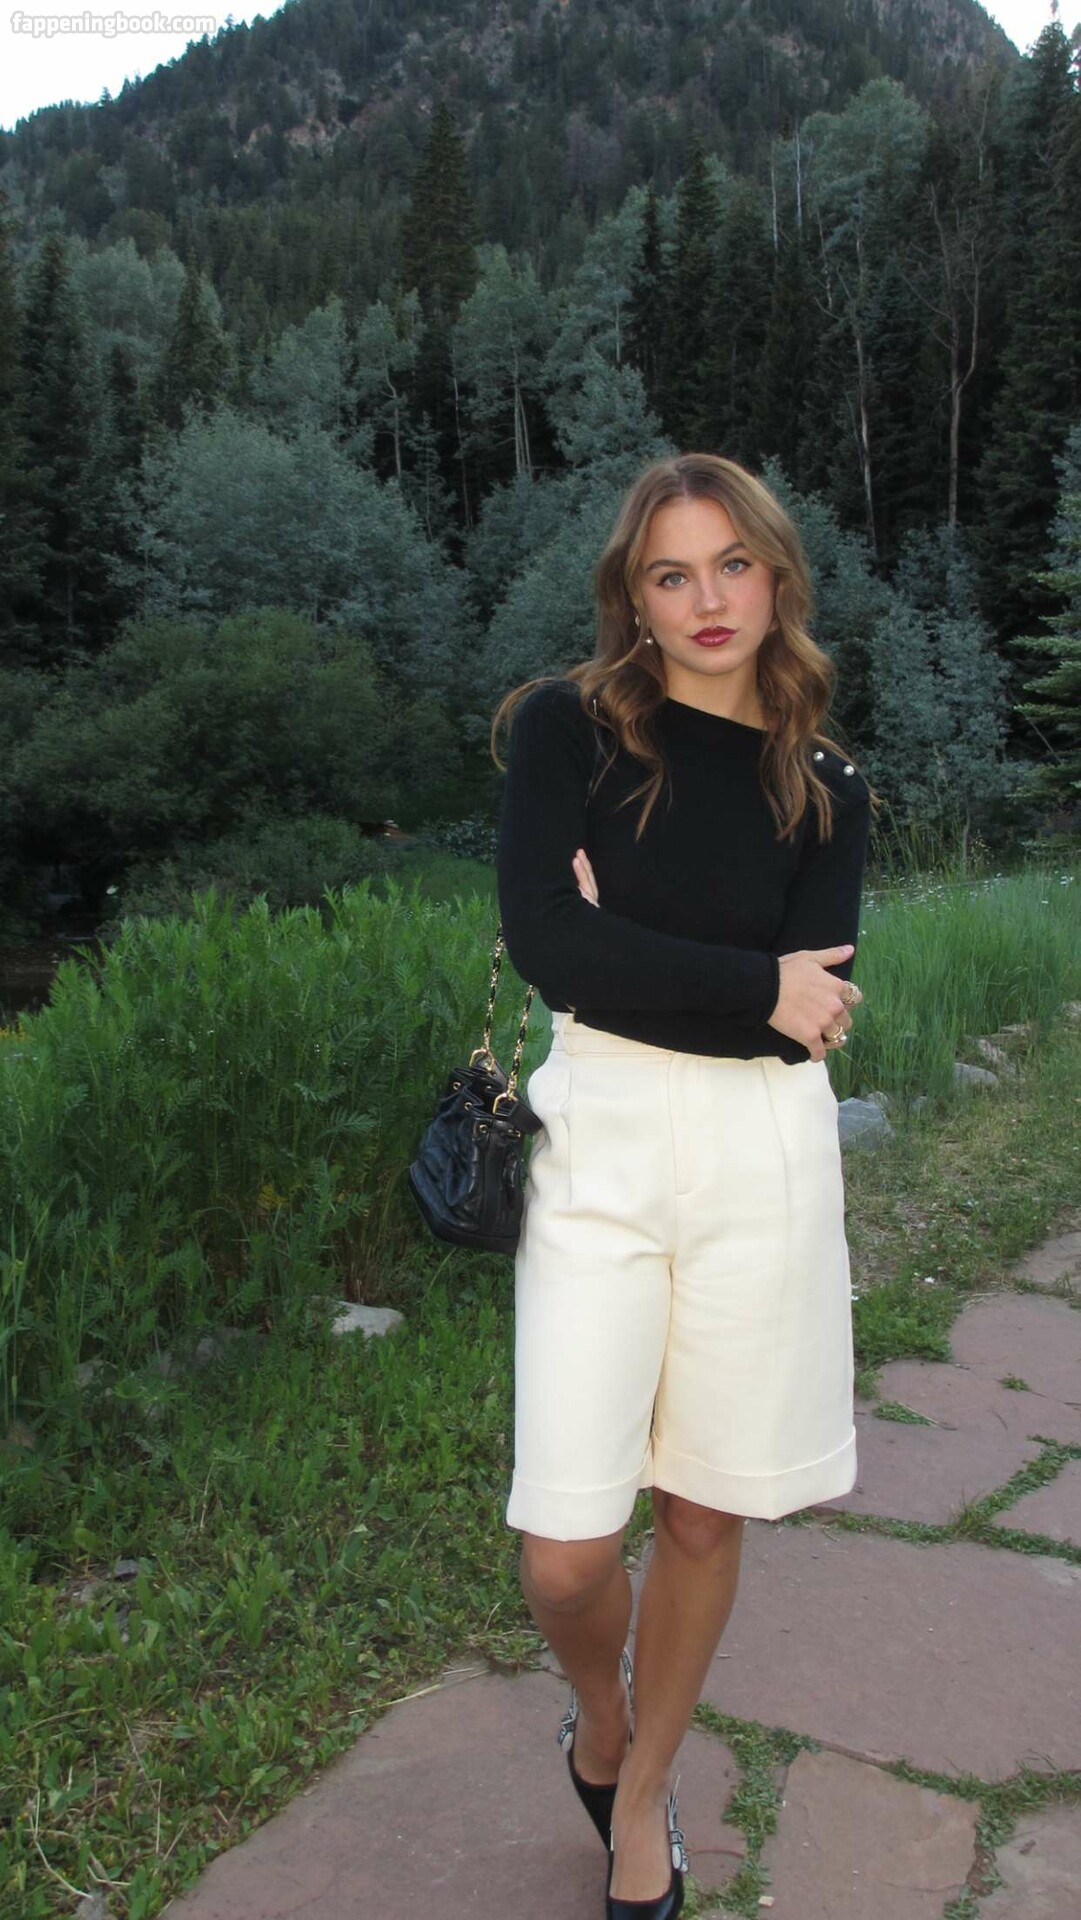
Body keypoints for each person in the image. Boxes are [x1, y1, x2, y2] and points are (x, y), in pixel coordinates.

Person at [491, 452, 874, 1920]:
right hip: (601, 1144)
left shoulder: (824, 786)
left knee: (704, 1517)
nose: (707, 598)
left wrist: (645, 957)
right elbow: (550, 948)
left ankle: (644, 1790)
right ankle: (599, 1721)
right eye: (672, 573)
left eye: (732, 565)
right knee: (567, 1550)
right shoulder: (568, 730)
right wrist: (748, 979)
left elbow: (807, 1020)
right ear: (633, 598)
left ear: (775, 579)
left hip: (763, 1154)